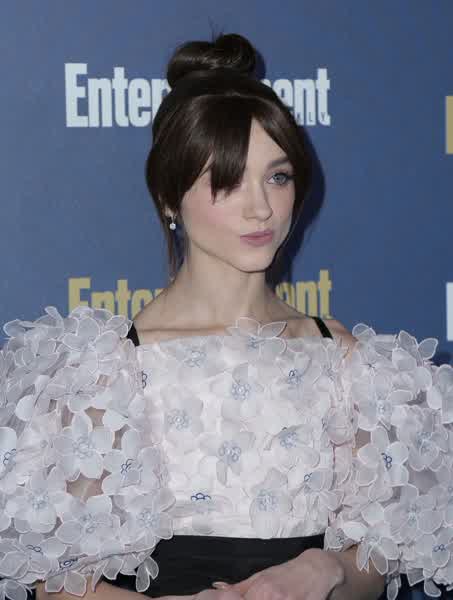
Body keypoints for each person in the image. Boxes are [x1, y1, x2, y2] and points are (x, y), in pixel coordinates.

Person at [1, 32, 452, 600]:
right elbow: (56, 584)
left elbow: (376, 566)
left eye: (277, 177)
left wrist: (328, 569)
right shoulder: (101, 372)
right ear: (169, 198)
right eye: (228, 181)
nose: (261, 207)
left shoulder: (350, 364)